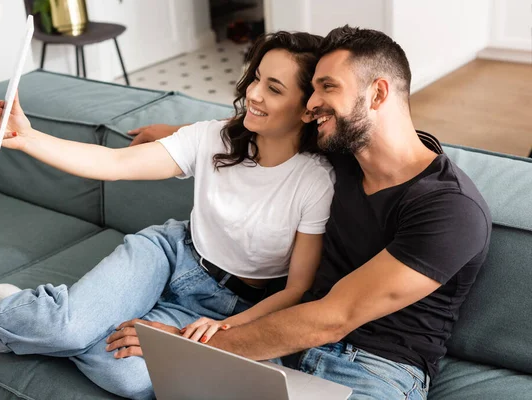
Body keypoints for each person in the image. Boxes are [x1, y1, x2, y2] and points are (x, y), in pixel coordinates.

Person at [0, 32, 336, 399]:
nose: (253, 93)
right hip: (172, 255)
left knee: (132, 379)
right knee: (69, 327)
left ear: (307, 109)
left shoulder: (315, 181)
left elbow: (295, 289)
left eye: (274, 88)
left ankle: (47, 316)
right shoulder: (215, 137)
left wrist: (225, 330)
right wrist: (29, 137)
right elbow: (113, 163)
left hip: (229, 305)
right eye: (256, 78)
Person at [122, 25, 492, 400]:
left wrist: (191, 350)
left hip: (377, 371)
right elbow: (260, 131)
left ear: (378, 93)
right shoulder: (342, 152)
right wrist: (173, 133)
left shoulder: (451, 209)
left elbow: (334, 317)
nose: (311, 103)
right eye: (313, 88)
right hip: (286, 349)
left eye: (328, 87)